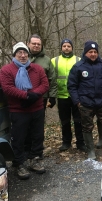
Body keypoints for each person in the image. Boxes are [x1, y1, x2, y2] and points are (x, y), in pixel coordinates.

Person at [0, 42, 49, 180]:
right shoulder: (6, 70)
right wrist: (25, 96)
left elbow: (45, 84)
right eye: (19, 53)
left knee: (37, 135)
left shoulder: (37, 68)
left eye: (25, 52)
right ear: (14, 55)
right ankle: (19, 163)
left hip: (37, 108)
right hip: (18, 110)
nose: (23, 55)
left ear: (28, 54)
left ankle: (35, 159)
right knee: (19, 138)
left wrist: (34, 95)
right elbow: (8, 88)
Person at [68, 40, 102, 160]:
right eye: (90, 52)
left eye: (95, 52)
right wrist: (77, 102)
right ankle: (91, 151)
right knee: (87, 127)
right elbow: (72, 86)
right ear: (85, 53)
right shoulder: (78, 67)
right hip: (85, 103)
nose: (93, 54)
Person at [25, 34, 57, 158]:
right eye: (34, 43)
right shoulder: (23, 56)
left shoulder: (46, 60)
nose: (36, 46)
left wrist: (52, 96)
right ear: (28, 44)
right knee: (24, 123)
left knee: (38, 124)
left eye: (39, 44)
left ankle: (37, 148)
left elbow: (52, 79)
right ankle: (25, 148)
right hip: (23, 97)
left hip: (41, 97)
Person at [51, 39, 86, 152]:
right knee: (64, 121)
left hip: (76, 96)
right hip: (61, 96)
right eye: (64, 46)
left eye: (69, 46)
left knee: (78, 120)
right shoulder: (54, 61)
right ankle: (66, 142)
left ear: (72, 48)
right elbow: (51, 78)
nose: (66, 48)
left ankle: (80, 143)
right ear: (61, 48)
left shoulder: (79, 60)